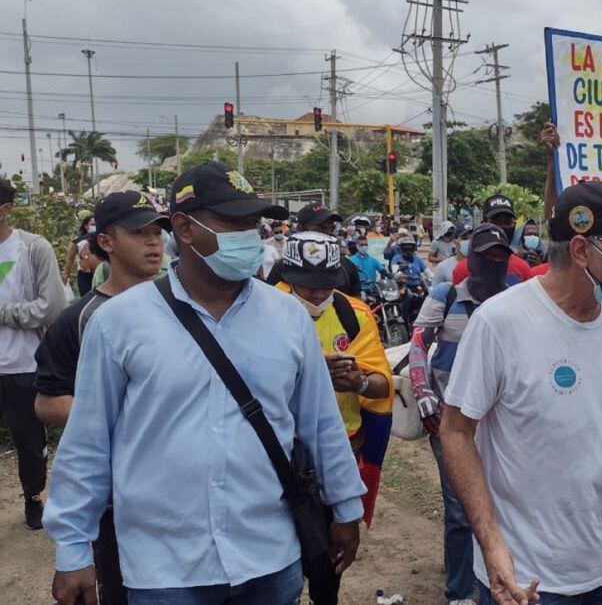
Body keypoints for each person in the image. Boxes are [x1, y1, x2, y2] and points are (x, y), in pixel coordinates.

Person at [44, 162, 365, 605]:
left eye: (253, 223)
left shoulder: (288, 317)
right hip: (163, 567)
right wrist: (72, 547)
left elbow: (321, 422)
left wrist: (346, 507)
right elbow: (88, 442)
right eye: (233, 222)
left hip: (269, 556)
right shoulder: (119, 323)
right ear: (184, 228)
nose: (249, 235)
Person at [441, 181, 602, 605]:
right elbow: (455, 430)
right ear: (582, 250)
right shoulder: (500, 322)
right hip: (529, 577)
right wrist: (492, 544)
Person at [33, 191, 169, 605]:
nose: (153, 243)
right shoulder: (79, 320)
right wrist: (124, 417)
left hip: (182, 488)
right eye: (139, 233)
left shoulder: (183, 308)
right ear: (106, 242)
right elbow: (47, 402)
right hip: (117, 497)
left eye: (157, 232)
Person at [409, 224, 512, 605]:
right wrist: (424, 395)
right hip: (449, 421)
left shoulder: (514, 298)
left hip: (500, 422)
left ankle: (499, 575)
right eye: (487, 255)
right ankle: (459, 591)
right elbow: (418, 344)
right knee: (458, 508)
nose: (495, 261)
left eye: (501, 254)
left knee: (502, 503)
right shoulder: (446, 294)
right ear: (472, 258)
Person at [274, 232, 393, 531]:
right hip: (279, 445)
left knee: (334, 534)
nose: (318, 294)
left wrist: (357, 383)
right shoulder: (262, 309)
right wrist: (308, 374)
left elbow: (382, 384)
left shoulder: (354, 314)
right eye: (308, 285)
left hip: (342, 444)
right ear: (288, 277)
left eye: (326, 285)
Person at [0, 177, 66, 530]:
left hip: (23, 367)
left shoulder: (32, 248)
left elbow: (51, 307)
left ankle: (32, 496)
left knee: (28, 440)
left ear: (6, 209)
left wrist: (3, 313)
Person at [266, 203, 363, 297]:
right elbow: (270, 299)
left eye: (331, 228)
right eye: (321, 228)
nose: (328, 234)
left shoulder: (347, 265)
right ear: (300, 229)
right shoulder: (284, 267)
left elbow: (356, 301)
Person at [451, 195, 532, 286]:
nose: (501, 228)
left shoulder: (522, 268)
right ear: (483, 224)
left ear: (514, 225)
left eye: (507, 222)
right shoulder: (463, 269)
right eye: (495, 222)